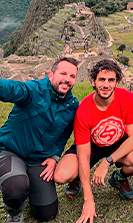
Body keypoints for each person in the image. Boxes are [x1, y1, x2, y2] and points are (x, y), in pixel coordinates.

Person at [54, 59, 133, 223]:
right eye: (101, 80)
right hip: (91, 146)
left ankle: (118, 178)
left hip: (117, 141)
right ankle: (77, 179)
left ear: (117, 82)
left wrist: (107, 162)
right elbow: (83, 156)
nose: (106, 85)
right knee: (61, 176)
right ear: (93, 81)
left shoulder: (127, 98)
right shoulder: (84, 109)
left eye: (111, 80)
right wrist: (89, 200)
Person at [0, 57, 79, 223]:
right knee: (16, 187)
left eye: (72, 76)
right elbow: (12, 88)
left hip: (38, 160)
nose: (67, 79)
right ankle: (14, 213)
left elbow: (63, 136)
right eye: (63, 73)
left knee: (47, 214)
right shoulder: (34, 90)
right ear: (51, 75)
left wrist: (54, 157)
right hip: (11, 150)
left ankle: (28, 188)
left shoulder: (71, 105)